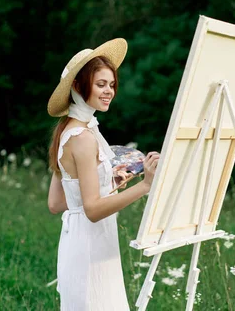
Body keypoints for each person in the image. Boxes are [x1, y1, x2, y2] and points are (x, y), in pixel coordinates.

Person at [46, 38, 160, 310]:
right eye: (100, 84)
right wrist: (145, 185)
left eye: (111, 84)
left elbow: (57, 203)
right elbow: (93, 210)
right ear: (77, 86)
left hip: (84, 243)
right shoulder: (83, 137)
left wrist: (113, 180)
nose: (109, 91)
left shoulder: (68, 131)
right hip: (89, 248)